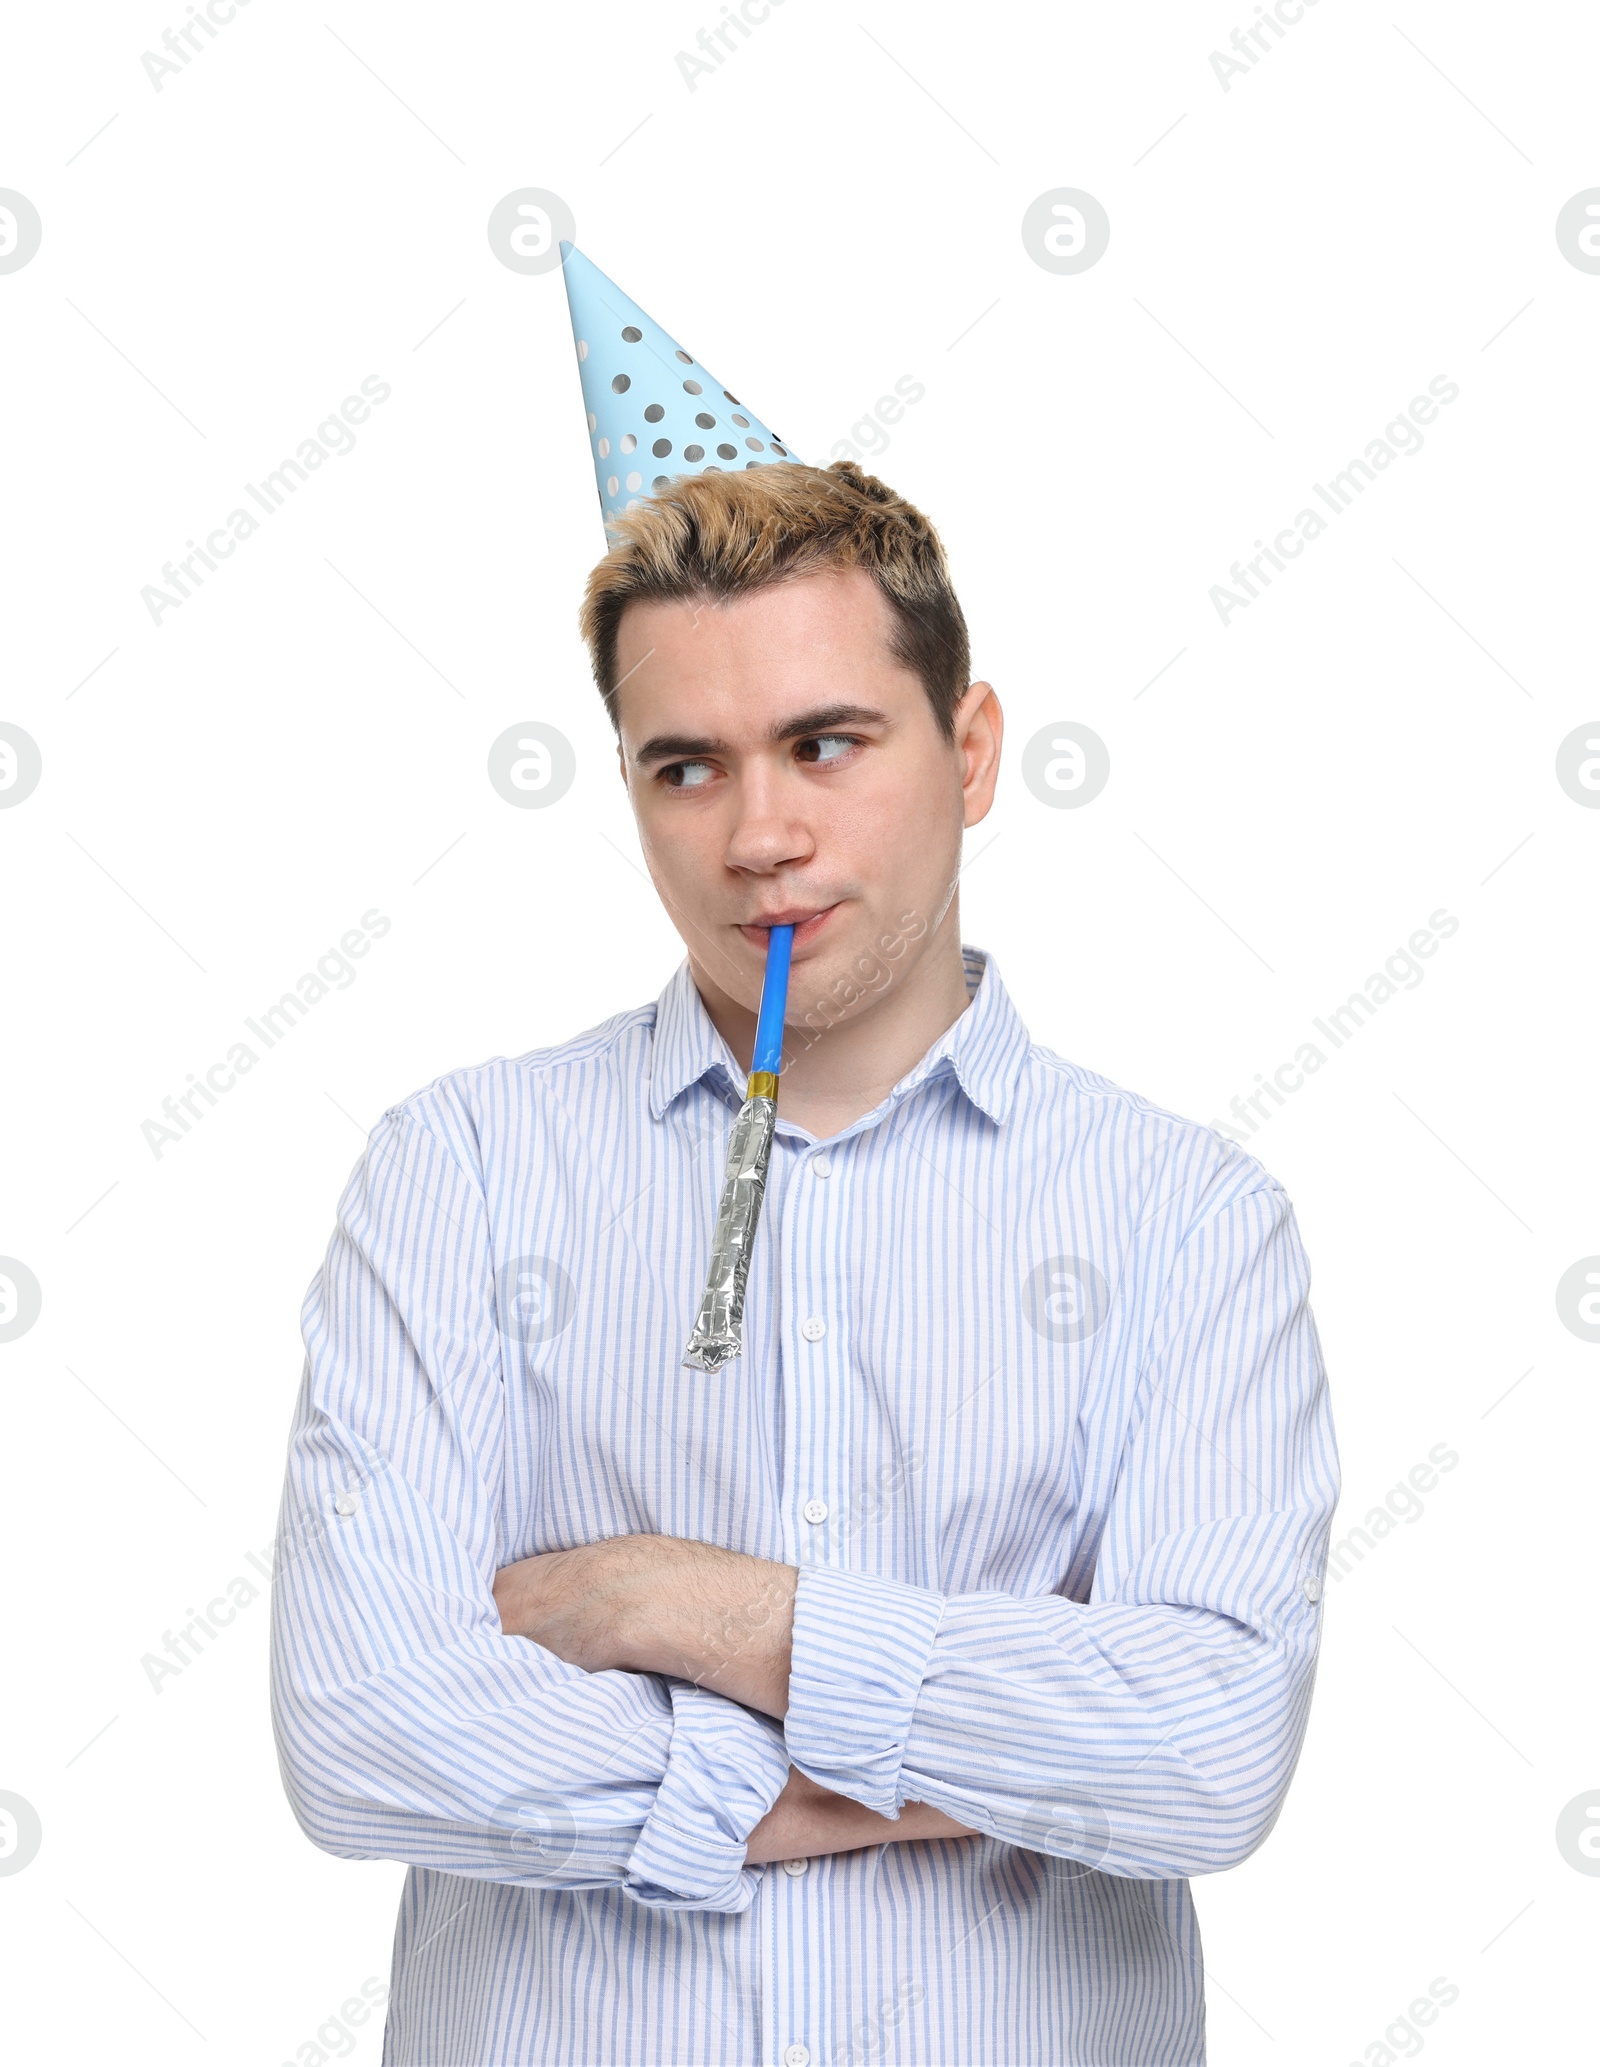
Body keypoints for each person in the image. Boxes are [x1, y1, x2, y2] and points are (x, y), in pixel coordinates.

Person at [270, 456, 1340, 2067]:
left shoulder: (1187, 1220)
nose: (760, 836)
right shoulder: (463, 1175)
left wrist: (686, 1605)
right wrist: (923, 1764)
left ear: (970, 753)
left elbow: (1204, 1749)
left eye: (825, 745)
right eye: (686, 768)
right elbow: (367, 1737)